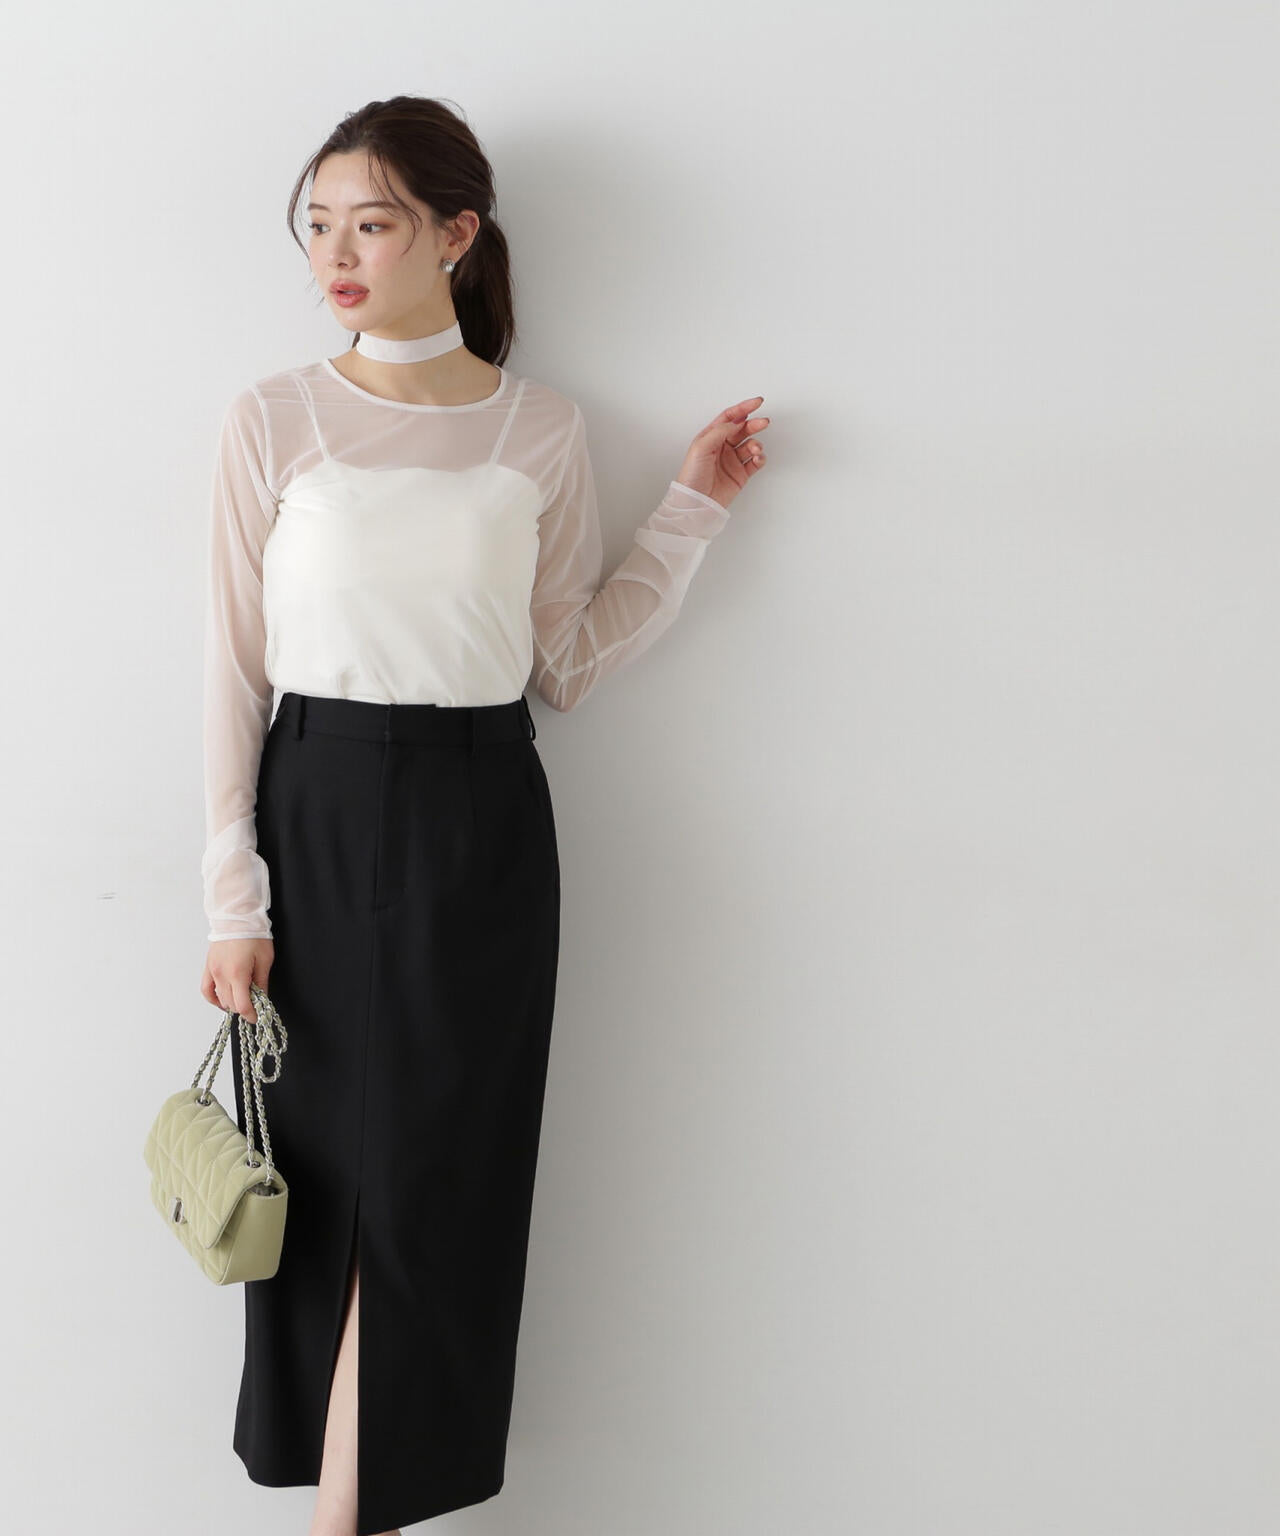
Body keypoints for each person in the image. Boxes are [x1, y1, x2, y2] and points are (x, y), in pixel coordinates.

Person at [198, 94, 768, 1536]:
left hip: (479, 821)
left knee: (437, 1182)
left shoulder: (539, 427)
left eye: (372, 224)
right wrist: (232, 898)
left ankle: (350, 1514)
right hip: (316, 809)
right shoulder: (273, 417)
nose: (336, 255)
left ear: (456, 235)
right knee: (328, 1183)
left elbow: (561, 663)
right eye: (318, 225)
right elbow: (234, 671)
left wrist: (690, 512)